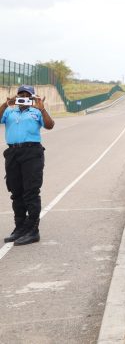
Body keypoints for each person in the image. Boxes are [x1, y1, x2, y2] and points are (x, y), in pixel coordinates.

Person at [1, 85, 55, 246]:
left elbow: (50, 125)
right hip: (13, 153)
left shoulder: (37, 111)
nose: (24, 97)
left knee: (31, 192)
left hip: (32, 153)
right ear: (16, 97)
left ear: (32, 97)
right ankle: (20, 227)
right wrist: (6, 104)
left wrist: (43, 109)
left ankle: (33, 230)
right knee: (16, 191)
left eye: (27, 95)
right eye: (21, 95)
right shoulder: (10, 111)